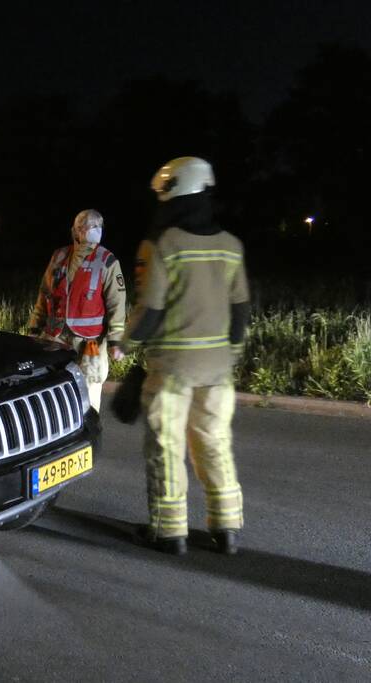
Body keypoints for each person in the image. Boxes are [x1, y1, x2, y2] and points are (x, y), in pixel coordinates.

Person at [124, 156, 251, 556]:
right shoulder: (232, 246)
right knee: (214, 443)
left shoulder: (162, 244)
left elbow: (151, 311)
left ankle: (169, 532)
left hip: (172, 370)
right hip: (218, 371)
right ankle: (227, 528)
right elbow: (241, 310)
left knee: (166, 448)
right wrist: (229, 354)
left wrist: (121, 345)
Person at [29, 209, 127, 413]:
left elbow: (117, 303)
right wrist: (35, 326)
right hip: (55, 336)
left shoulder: (107, 260)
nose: (92, 230)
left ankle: (88, 431)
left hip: (90, 342)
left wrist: (116, 340)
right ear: (76, 230)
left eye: (96, 225)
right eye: (87, 226)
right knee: (52, 386)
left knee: (90, 388)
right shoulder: (60, 256)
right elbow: (45, 293)